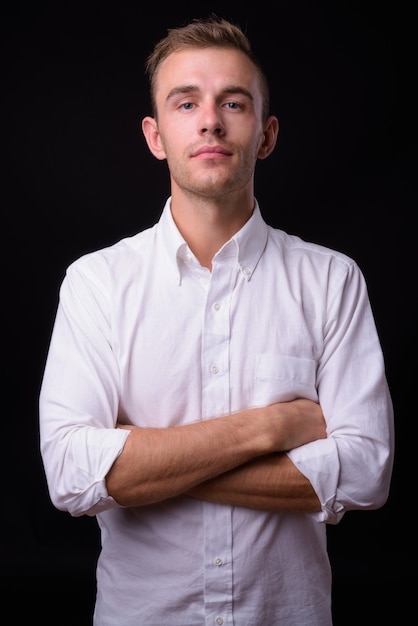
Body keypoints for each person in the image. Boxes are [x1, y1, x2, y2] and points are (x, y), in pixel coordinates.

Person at [39, 15, 395, 626]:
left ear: (266, 133)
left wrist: (144, 462)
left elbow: (364, 473)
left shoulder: (332, 280)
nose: (210, 120)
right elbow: (72, 473)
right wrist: (273, 427)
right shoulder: (97, 283)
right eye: (186, 103)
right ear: (155, 136)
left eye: (233, 101)